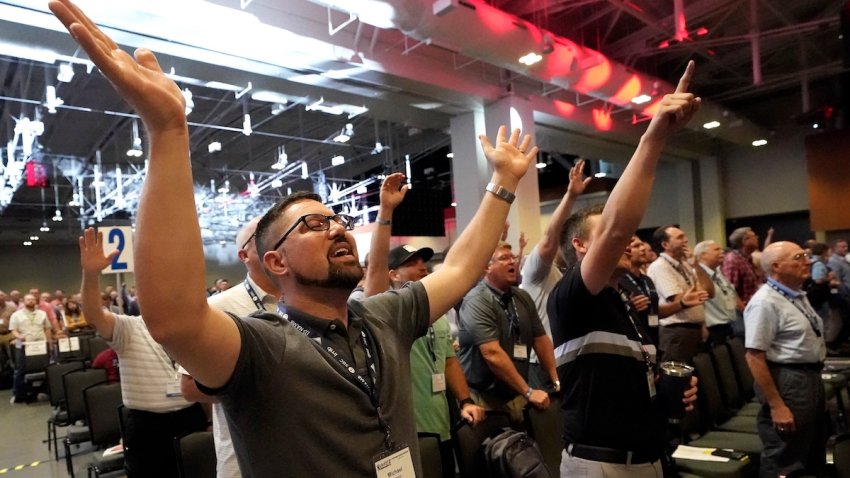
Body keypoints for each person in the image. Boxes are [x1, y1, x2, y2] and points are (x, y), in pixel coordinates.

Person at [49, 3, 537, 475]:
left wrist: (504, 185)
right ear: (275, 262)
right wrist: (168, 130)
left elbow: (458, 269)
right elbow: (174, 320)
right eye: (314, 224)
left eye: (337, 219)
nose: (339, 227)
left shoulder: (382, 315)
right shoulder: (261, 344)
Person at [548, 61, 699, 477]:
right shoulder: (571, 297)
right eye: (612, 236)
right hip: (601, 466)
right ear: (580, 246)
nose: (630, 240)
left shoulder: (623, 299)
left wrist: (670, 392)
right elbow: (616, 229)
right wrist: (654, 136)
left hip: (648, 458)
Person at [361, 172, 486, 478]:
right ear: (393, 274)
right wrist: (386, 212)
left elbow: (448, 359)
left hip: (441, 423)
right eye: (412, 262)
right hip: (405, 432)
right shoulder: (385, 314)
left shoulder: (436, 313)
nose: (422, 266)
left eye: (423, 261)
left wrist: (465, 400)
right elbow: (374, 272)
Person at [79, 228, 208, 477]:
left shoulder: (192, 329)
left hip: (191, 419)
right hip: (148, 426)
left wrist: (211, 422)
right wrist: (91, 274)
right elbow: (94, 315)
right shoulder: (128, 328)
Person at [180, 216, 283, 478]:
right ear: (244, 255)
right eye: (262, 237)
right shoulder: (217, 308)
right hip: (245, 460)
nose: (276, 241)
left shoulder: (305, 299)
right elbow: (190, 387)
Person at [744, 242, 827, 477]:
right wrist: (777, 405)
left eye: (806, 256)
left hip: (808, 377)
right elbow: (754, 356)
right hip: (788, 381)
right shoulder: (765, 302)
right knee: (785, 455)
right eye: (799, 257)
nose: (808, 261)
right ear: (777, 267)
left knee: (809, 447)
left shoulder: (795, 295)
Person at [458, 242, 559, 427]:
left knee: (523, 450)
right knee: (494, 452)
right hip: (484, 399)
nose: (512, 262)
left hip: (515, 393)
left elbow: (540, 339)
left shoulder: (521, 297)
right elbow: (491, 353)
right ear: (486, 267)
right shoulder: (477, 300)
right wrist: (528, 392)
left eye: (513, 257)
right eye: (504, 258)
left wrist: (556, 379)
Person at [519, 159, 589, 388]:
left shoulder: (570, 273)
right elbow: (549, 240)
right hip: (541, 364)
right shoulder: (536, 270)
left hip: (570, 359)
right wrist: (570, 196)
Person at [646, 225, 712, 362]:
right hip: (677, 332)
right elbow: (679, 299)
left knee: (698, 377)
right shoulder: (660, 266)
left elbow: (709, 292)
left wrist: (696, 266)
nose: (686, 240)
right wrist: (697, 293)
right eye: (680, 237)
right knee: (679, 380)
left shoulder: (685, 264)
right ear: (665, 244)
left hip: (693, 329)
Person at [695, 240, 741, 345]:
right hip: (712, 328)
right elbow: (698, 302)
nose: (722, 251)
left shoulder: (718, 272)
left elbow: (731, 293)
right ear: (703, 255)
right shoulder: (697, 275)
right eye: (716, 249)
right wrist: (702, 326)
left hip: (728, 325)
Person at [9, 293, 53, 403]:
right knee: (20, 370)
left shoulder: (42, 313)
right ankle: (18, 394)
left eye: (33, 299)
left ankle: (47, 391)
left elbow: (47, 328)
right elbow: (13, 330)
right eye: (28, 300)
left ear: (36, 301)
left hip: (40, 344)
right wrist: (19, 336)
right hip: (24, 345)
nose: (31, 301)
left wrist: (50, 343)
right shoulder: (16, 315)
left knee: (45, 368)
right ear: (24, 302)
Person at [722, 227, 763, 306]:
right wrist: (742, 310)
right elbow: (730, 291)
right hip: (743, 311)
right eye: (754, 236)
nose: (757, 238)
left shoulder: (748, 258)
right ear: (745, 241)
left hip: (754, 305)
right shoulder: (733, 260)